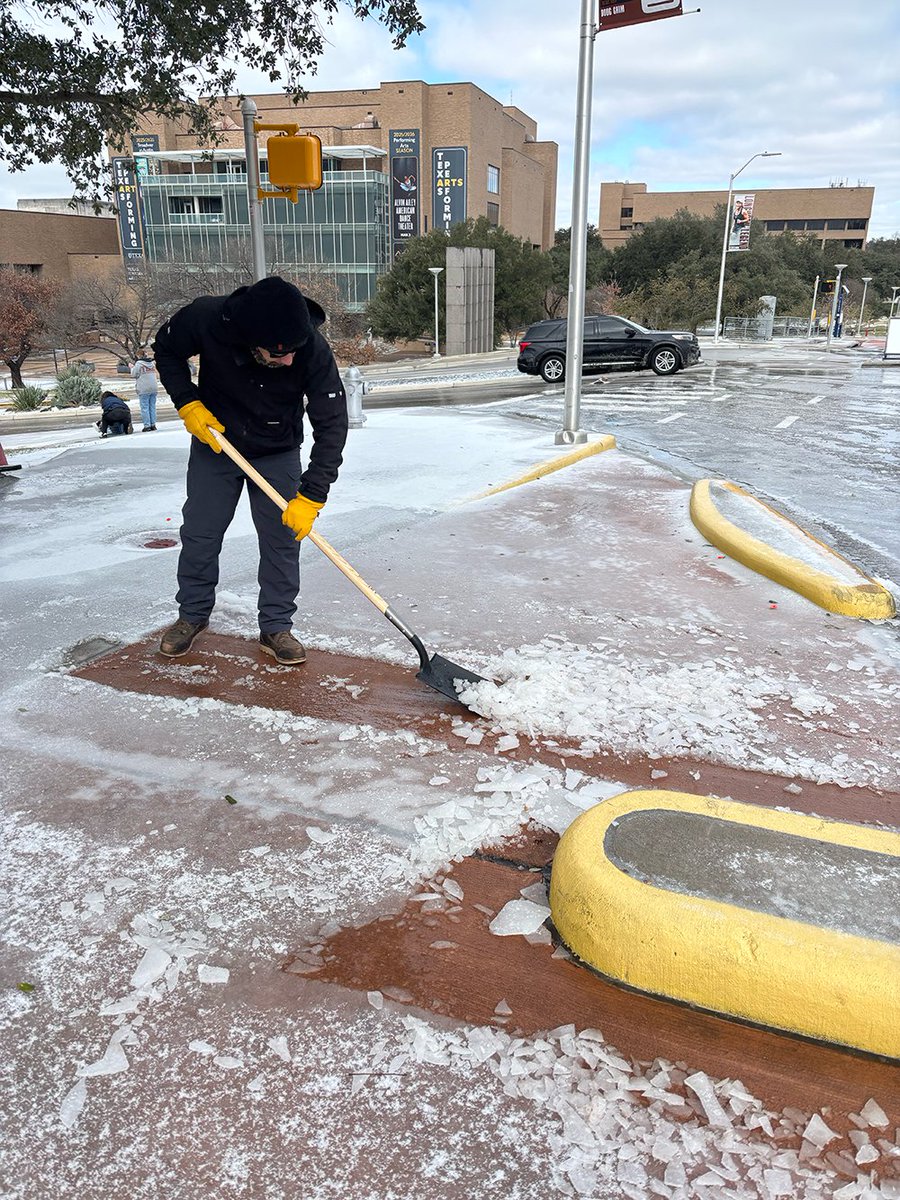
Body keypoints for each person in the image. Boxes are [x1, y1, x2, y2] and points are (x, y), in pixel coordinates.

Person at [152, 275, 348, 666]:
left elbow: (332, 423)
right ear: (251, 340)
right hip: (216, 445)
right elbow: (166, 350)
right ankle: (192, 615)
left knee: (282, 540)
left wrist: (312, 495)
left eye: (294, 351)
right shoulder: (207, 318)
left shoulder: (310, 346)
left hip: (277, 450)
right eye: (279, 354)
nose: (289, 360)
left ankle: (276, 626)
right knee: (201, 534)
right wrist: (188, 402)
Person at [131, 348, 159, 430]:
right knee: (152, 406)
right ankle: (153, 424)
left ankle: (147, 426)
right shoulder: (152, 363)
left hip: (144, 388)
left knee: (145, 407)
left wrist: (132, 368)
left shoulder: (139, 364)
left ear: (138, 355)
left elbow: (134, 374)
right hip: (154, 387)